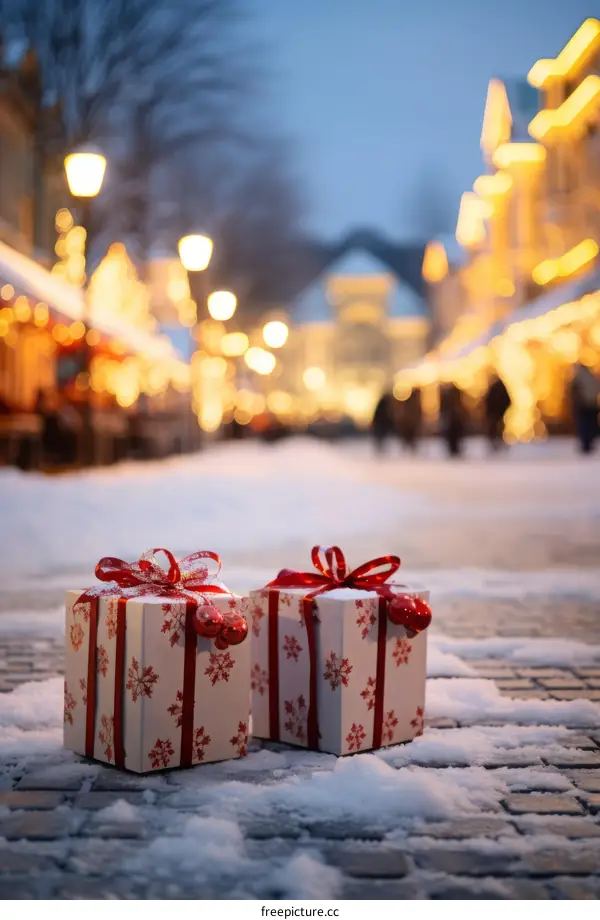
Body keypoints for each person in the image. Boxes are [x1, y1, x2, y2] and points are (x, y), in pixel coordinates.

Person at [570, 363, 600, 454]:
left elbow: (574, 389)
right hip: (592, 405)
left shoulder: (579, 377)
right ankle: (588, 444)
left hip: (584, 405)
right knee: (590, 425)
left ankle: (586, 444)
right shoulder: (592, 376)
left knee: (584, 425)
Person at [484, 374, 511, 451]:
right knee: (496, 428)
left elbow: (487, 401)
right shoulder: (499, 388)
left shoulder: (494, 388)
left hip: (496, 413)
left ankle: (497, 444)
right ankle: (496, 444)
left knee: (495, 428)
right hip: (497, 413)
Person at [439, 383, 466, 458]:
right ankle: (453, 449)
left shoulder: (450, 396)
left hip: (454, 420)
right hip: (452, 419)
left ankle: (454, 449)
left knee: (454, 435)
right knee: (453, 435)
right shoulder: (453, 396)